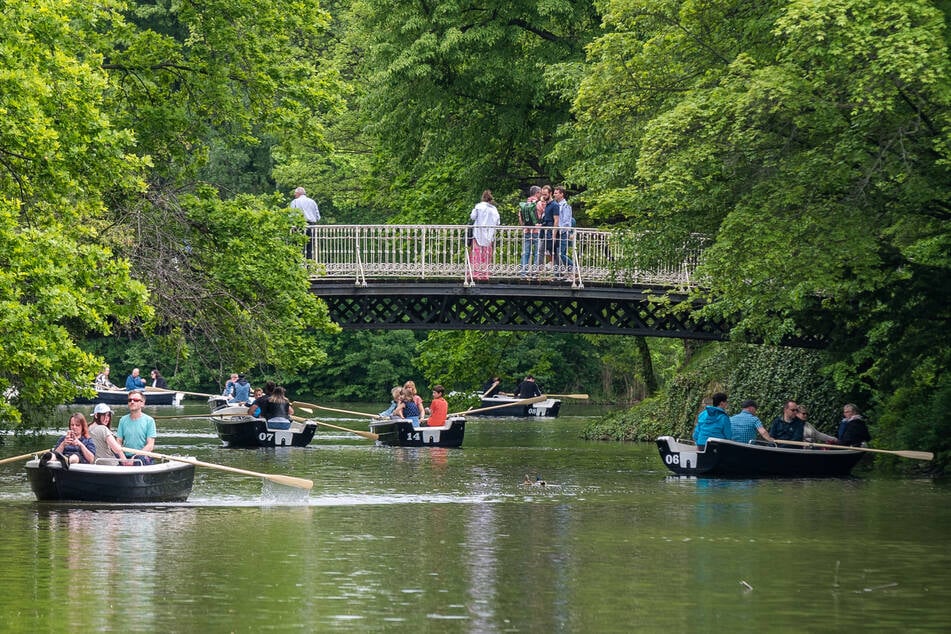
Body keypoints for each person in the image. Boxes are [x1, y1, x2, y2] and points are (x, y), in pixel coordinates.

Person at [117, 390, 156, 465]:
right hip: (125, 456)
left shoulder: (149, 421)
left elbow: (150, 445)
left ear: (142, 403)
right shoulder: (122, 420)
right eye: (130, 400)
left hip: (142, 456)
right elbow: (118, 441)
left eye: (135, 400)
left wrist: (135, 457)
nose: (132, 402)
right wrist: (122, 457)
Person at [469, 189, 500, 281]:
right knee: (486, 253)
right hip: (489, 234)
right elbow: (498, 222)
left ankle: (476, 272)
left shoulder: (478, 206)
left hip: (478, 232)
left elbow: (472, 217)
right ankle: (485, 273)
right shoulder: (494, 209)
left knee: (477, 252)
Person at [519, 185, 542, 276]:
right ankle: (534, 272)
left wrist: (524, 227)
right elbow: (541, 216)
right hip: (536, 231)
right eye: (540, 193)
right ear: (537, 193)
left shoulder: (524, 204)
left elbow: (520, 218)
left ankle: (523, 272)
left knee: (525, 252)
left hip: (527, 231)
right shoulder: (538, 203)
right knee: (537, 252)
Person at [291, 187, 320, 260]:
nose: (294, 195)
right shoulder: (312, 202)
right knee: (309, 247)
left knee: (297, 245)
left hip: (298, 225)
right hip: (311, 226)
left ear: (298, 193)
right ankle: (309, 265)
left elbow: (291, 215)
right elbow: (317, 217)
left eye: (295, 193)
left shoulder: (295, 202)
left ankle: (298, 263)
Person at [553, 186, 574, 275]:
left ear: (562, 194)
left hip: (563, 232)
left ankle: (573, 268)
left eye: (556, 193)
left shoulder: (565, 205)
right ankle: (559, 273)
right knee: (557, 253)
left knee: (561, 254)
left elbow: (566, 221)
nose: (554, 195)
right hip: (557, 233)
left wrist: (560, 229)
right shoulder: (556, 204)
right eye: (554, 193)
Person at [540, 185, 561, 274]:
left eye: (545, 194)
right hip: (545, 230)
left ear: (550, 193)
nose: (543, 196)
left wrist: (553, 234)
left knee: (551, 252)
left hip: (550, 232)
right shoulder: (547, 205)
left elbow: (556, 220)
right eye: (542, 194)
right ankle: (560, 271)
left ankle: (539, 271)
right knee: (550, 252)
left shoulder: (555, 205)